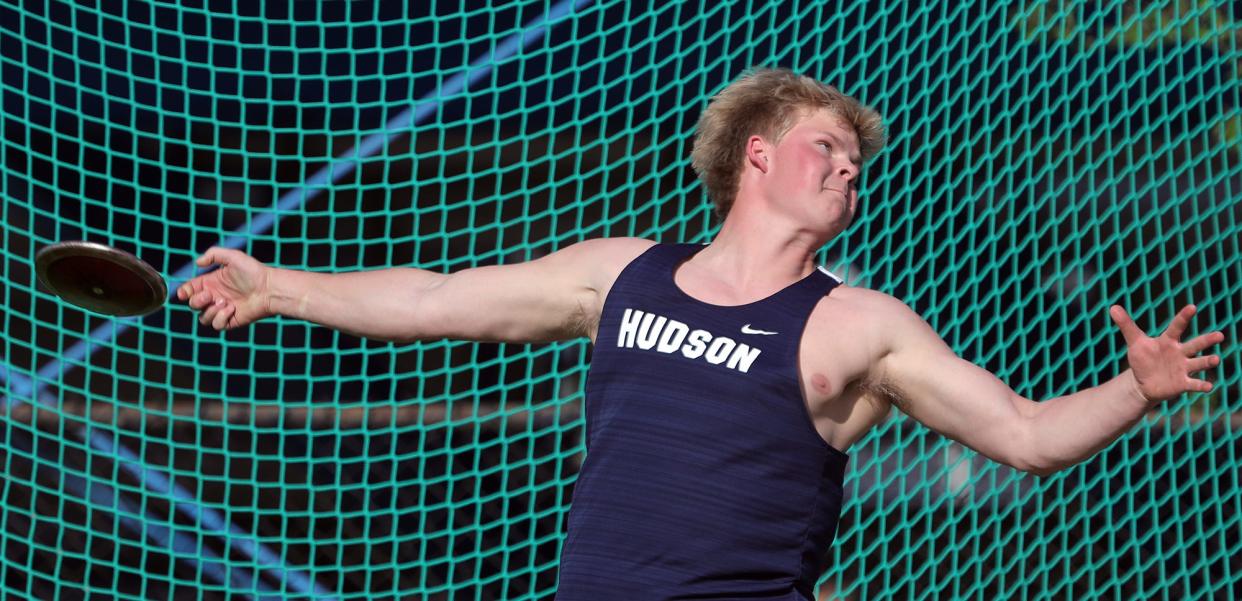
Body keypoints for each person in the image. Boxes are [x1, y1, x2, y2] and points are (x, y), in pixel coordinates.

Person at [177, 68, 1224, 600]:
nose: (849, 167)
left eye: (858, 161)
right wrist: (281, 287)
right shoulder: (621, 272)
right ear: (757, 155)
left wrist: (1137, 386)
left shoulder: (857, 322)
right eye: (827, 147)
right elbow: (433, 300)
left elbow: (1027, 435)